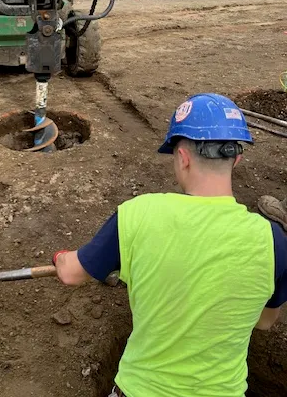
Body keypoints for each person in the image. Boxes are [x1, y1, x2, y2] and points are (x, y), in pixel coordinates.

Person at [53, 93, 287, 397]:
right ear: (236, 159)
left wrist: (61, 256)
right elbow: (266, 321)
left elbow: (71, 273)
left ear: (183, 157)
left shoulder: (137, 214)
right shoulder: (275, 243)